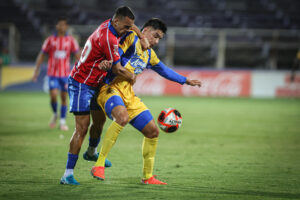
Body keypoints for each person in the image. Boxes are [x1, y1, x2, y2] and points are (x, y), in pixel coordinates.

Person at [90, 18, 202, 185]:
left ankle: (148, 177)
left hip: (129, 94)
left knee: (152, 132)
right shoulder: (130, 39)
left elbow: (164, 70)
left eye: (159, 39)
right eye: (155, 36)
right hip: (109, 88)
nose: (156, 41)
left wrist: (185, 80)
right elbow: (124, 27)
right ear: (146, 30)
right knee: (121, 118)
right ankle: (99, 165)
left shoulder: (149, 54)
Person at [60, 6, 149, 185]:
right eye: (125, 27)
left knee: (99, 122)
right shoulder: (109, 38)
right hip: (81, 83)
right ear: (116, 22)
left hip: (96, 83)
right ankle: (67, 174)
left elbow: (131, 26)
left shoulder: (112, 25)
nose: (127, 30)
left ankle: (91, 152)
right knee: (82, 128)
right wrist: (132, 76)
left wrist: (141, 36)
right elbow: (117, 69)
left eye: (129, 27)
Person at [32, 17, 80, 131]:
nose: (62, 27)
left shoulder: (71, 40)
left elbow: (78, 56)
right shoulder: (50, 40)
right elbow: (42, 55)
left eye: (64, 25)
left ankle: (62, 122)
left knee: (64, 98)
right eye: (60, 24)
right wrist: (36, 71)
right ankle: (55, 113)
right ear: (56, 26)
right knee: (53, 96)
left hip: (65, 75)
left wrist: (79, 70)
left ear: (66, 26)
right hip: (52, 74)